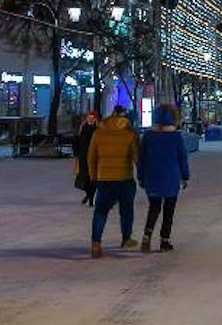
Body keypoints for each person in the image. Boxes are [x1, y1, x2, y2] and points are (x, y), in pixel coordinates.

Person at [87, 104, 140, 259]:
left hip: (104, 178)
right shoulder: (130, 135)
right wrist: (142, 174)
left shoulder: (98, 133)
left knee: (101, 211)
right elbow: (136, 157)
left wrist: (93, 177)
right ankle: (126, 238)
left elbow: (91, 158)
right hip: (124, 178)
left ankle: (96, 243)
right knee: (126, 210)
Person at [138, 103, 189, 253]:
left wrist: (141, 177)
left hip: (152, 177)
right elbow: (182, 158)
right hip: (171, 178)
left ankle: (147, 235)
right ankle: (164, 240)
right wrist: (185, 176)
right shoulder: (176, 136)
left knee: (154, 208)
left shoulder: (148, 136)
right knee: (168, 210)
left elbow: (142, 158)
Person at [74, 111, 98, 206]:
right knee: (84, 178)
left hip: (94, 156)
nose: (91, 119)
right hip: (83, 156)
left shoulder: (97, 128)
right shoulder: (82, 127)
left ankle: (90, 198)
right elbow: (77, 141)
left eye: (92, 118)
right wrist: (76, 153)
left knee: (92, 179)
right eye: (89, 117)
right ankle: (88, 195)